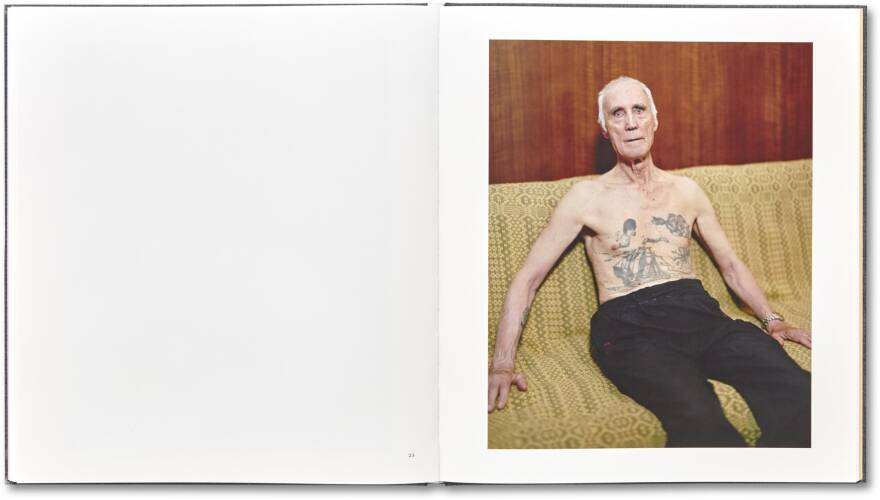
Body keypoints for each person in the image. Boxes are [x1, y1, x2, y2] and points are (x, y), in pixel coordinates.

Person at [487, 76, 812, 447]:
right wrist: (502, 363)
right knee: (699, 416)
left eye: (638, 110)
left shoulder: (687, 191)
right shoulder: (585, 197)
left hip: (700, 315)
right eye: (617, 114)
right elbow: (527, 279)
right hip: (630, 328)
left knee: (802, 394)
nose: (630, 122)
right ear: (605, 130)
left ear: (654, 120)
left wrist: (773, 320)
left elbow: (731, 266)